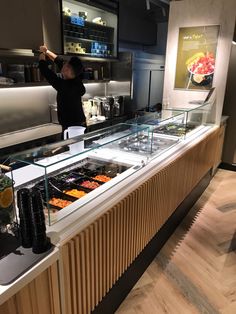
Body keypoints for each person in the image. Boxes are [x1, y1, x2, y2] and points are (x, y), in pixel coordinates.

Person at [38, 45, 86, 134]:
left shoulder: (65, 87)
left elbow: (46, 72)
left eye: (66, 64)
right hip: (78, 123)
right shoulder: (76, 78)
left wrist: (41, 54)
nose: (63, 64)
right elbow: (59, 61)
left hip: (73, 127)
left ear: (67, 69)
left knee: (72, 147)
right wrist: (46, 51)